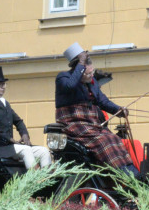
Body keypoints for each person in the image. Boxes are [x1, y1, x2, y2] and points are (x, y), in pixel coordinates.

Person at [55, 42, 140, 178]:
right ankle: (122, 174)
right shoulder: (63, 78)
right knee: (103, 141)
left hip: (90, 124)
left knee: (114, 139)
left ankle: (131, 174)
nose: (91, 76)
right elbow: (70, 86)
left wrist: (119, 110)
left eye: (92, 72)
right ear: (79, 68)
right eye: (88, 74)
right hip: (74, 124)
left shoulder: (91, 82)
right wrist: (81, 64)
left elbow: (103, 101)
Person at [0, 66, 52, 169]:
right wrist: (9, 138)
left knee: (43, 151)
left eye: (3, 84)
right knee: (25, 150)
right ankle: (35, 180)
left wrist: (24, 134)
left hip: (10, 146)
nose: (3, 87)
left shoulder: (5, 103)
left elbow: (18, 121)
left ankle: (48, 180)